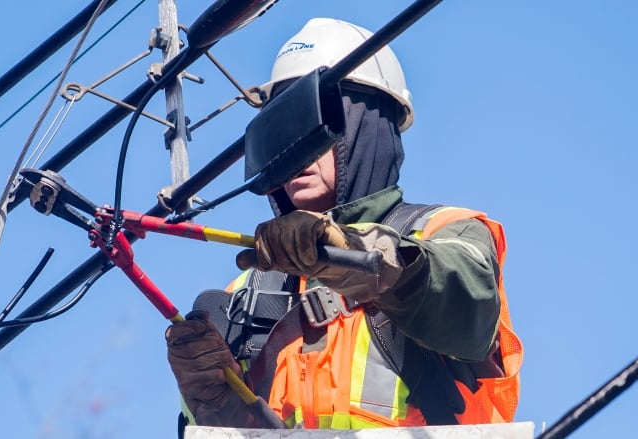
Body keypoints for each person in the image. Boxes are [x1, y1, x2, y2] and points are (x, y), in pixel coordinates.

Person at [165, 18, 523, 432]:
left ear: (364, 128)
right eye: (283, 135)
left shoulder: (444, 231)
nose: (294, 153)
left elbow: (464, 310)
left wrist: (352, 253)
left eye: (312, 128)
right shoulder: (247, 292)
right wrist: (210, 404)